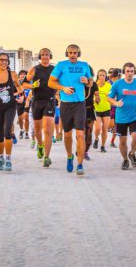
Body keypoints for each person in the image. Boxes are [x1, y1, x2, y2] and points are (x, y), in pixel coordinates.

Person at [48, 44, 93, 175]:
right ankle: (69, 156)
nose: (73, 55)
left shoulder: (84, 65)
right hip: (66, 104)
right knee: (67, 135)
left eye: (75, 53)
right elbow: (51, 82)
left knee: (80, 134)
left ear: (79, 53)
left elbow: (91, 82)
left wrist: (87, 81)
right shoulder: (61, 65)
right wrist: (63, 88)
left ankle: (80, 165)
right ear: (67, 53)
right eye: (70, 53)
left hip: (80, 103)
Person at [108, 62, 136, 170]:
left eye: (132, 71)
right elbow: (109, 98)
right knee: (122, 141)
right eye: (127, 71)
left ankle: (132, 153)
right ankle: (125, 160)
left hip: (135, 116)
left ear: (134, 72)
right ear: (124, 72)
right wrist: (116, 103)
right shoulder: (117, 84)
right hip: (121, 117)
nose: (130, 73)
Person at [26, 48, 56, 167]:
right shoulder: (34, 69)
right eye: (42, 55)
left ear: (50, 56)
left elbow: (61, 82)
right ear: (40, 56)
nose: (45, 57)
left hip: (50, 101)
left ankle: (47, 157)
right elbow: (23, 83)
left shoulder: (54, 70)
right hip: (37, 101)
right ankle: (40, 145)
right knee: (38, 130)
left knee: (47, 130)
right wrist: (32, 85)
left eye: (47, 55)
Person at [93, 69, 111, 152]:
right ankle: (96, 139)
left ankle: (103, 146)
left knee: (104, 129)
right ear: (97, 76)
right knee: (97, 128)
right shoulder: (94, 85)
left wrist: (109, 96)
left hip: (106, 109)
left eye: (103, 75)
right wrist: (94, 100)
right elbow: (90, 96)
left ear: (106, 76)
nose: (102, 77)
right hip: (97, 109)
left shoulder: (109, 86)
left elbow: (112, 96)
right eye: (100, 75)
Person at [84, 66, 99, 160]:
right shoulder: (78, 83)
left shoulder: (93, 84)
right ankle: (80, 148)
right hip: (79, 110)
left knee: (89, 133)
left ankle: (85, 152)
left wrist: (98, 98)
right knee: (81, 133)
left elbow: (97, 96)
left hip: (89, 110)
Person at [108, 68, 121, 147]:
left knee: (116, 125)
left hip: (117, 106)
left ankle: (112, 141)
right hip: (109, 106)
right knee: (111, 125)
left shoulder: (120, 83)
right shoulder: (109, 83)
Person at [17, 70, 30, 140]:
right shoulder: (16, 83)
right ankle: (22, 129)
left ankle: (27, 132)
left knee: (26, 116)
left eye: (24, 74)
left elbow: (33, 91)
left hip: (27, 101)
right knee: (20, 119)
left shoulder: (29, 82)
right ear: (19, 75)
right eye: (21, 74)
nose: (22, 75)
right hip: (18, 101)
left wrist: (27, 99)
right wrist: (16, 99)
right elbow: (13, 92)